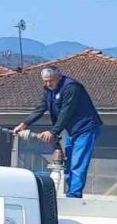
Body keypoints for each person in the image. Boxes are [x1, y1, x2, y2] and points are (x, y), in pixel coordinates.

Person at [14, 66, 102, 199]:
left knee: (77, 163)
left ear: (59, 77)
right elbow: (41, 108)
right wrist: (24, 123)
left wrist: (53, 132)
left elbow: (66, 112)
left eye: (51, 81)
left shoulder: (71, 87)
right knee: (69, 164)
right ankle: (70, 193)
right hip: (71, 131)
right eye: (45, 81)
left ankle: (74, 196)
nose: (48, 84)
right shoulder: (48, 90)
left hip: (85, 128)